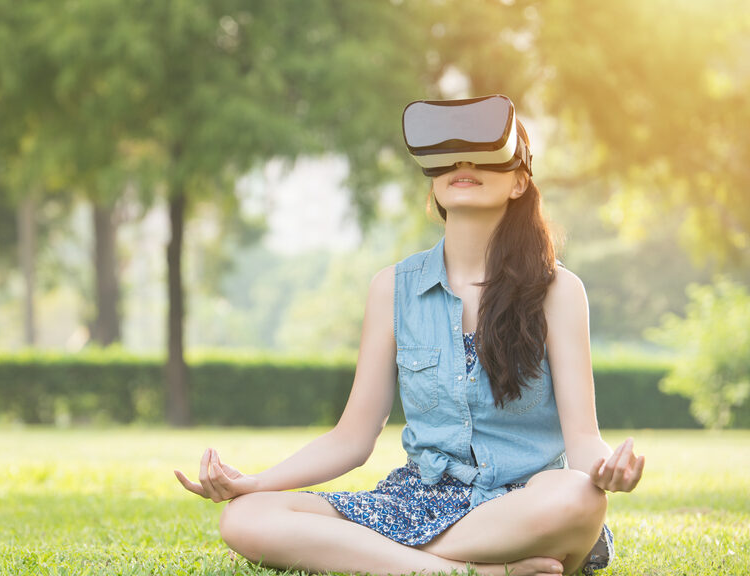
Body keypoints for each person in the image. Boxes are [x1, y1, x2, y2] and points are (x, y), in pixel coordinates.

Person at [174, 98, 644, 576]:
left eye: (482, 156)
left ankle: (396, 563)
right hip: (415, 502)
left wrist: (607, 469)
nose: (463, 165)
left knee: (578, 497)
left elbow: (584, 438)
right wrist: (257, 483)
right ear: (434, 179)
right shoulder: (391, 289)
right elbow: (352, 439)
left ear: (520, 180)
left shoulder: (559, 291)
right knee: (246, 518)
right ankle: (470, 573)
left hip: (522, 504)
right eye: (449, 157)